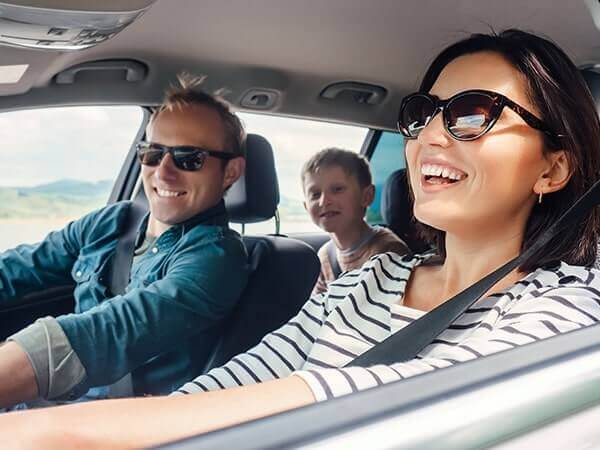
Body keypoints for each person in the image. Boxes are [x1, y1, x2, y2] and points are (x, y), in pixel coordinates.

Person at [2, 29, 600, 449]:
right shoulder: (371, 279)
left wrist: (60, 433)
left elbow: (402, 393)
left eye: (473, 114)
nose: (430, 137)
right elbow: (246, 376)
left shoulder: (570, 304)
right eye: (423, 114)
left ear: (553, 168)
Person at [0, 75, 249, 409]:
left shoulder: (217, 256)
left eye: (189, 158)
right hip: (49, 403)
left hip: (110, 424)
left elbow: (112, 331)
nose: (163, 172)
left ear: (231, 173)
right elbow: (23, 266)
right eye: (152, 153)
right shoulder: (114, 222)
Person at [301, 148, 409, 294]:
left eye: (337, 189)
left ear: (366, 196)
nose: (324, 201)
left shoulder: (389, 251)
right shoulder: (325, 255)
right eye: (315, 194)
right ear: (306, 207)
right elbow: (318, 308)